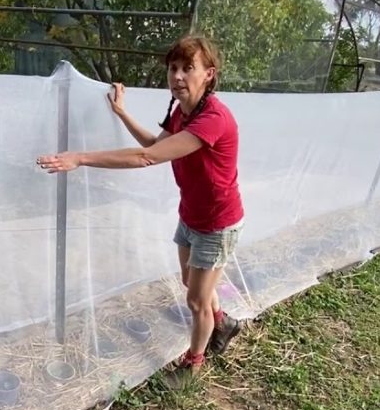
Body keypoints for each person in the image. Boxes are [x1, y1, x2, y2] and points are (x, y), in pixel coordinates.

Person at [36, 34, 243, 375]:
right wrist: (121, 113)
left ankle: (192, 364)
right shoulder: (182, 112)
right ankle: (223, 322)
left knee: (195, 300)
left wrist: (81, 157)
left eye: (187, 68)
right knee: (191, 283)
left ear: (208, 73)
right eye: (172, 68)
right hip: (191, 214)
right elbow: (153, 143)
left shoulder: (213, 118)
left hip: (218, 223)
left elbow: (147, 157)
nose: (176, 76)